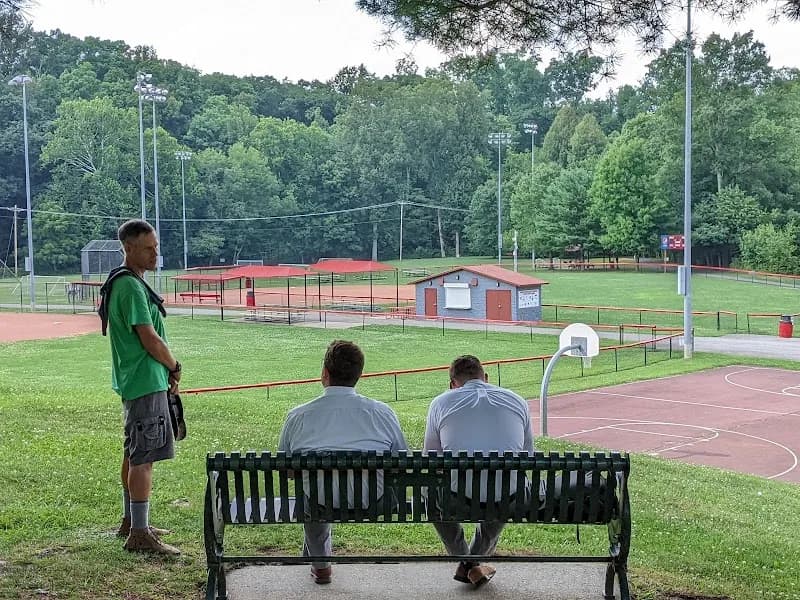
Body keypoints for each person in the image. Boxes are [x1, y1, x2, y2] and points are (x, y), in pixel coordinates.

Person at [277, 340, 408, 584]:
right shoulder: (382, 413)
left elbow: (286, 470)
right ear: (359, 375)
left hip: (318, 504)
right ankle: (318, 561)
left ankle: (321, 566)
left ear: (324, 373)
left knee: (313, 494)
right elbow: (401, 461)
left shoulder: (298, 416)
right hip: (374, 502)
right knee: (318, 492)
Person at [100, 219, 182, 556]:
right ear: (128, 248)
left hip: (136, 380)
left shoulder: (122, 281)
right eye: (148, 248)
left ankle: (131, 520)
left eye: (156, 247)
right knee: (144, 458)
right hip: (145, 381)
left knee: (134, 452)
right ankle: (139, 533)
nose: (155, 254)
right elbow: (149, 338)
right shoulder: (131, 287)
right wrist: (174, 366)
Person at [423, 355, 535, 588]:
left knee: (430, 494)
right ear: (486, 378)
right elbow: (527, 457)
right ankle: (473, 564)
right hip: (509, 501)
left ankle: (466, 562)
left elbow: (431, 460)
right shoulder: (517, 401)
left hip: (457, 501)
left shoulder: (440, 403)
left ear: (452, 384)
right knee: (507, 487)